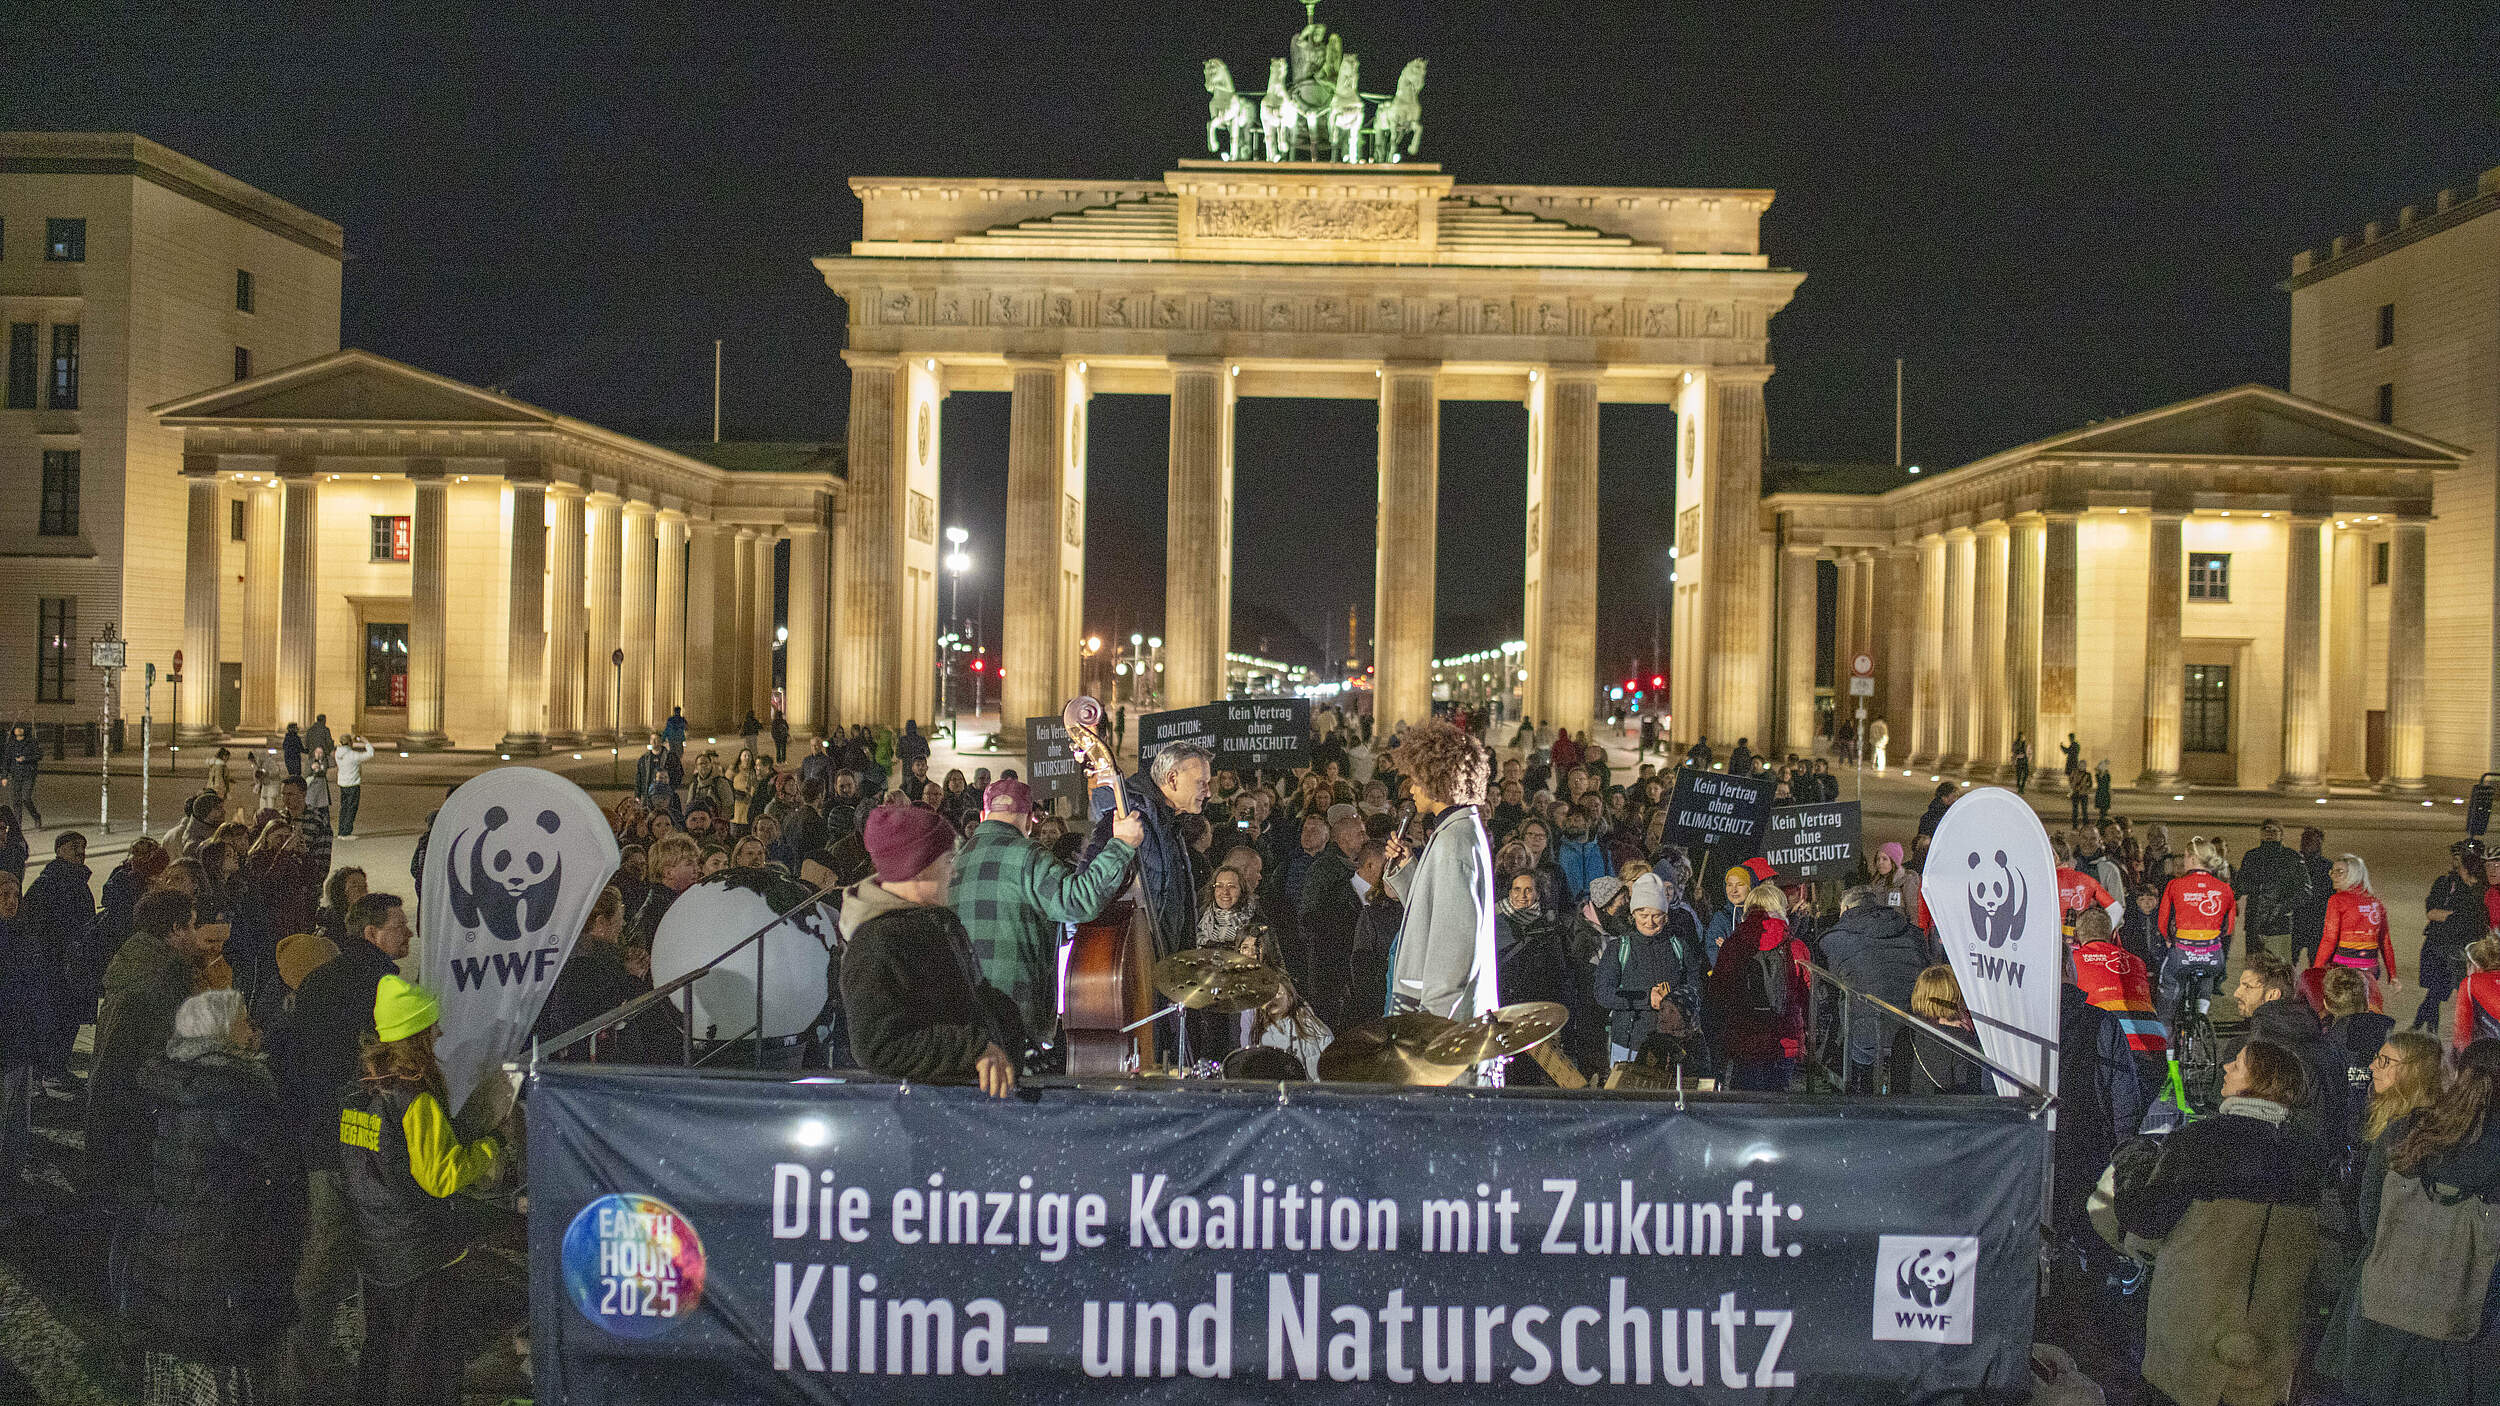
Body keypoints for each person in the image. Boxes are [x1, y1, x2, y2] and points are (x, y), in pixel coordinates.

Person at [2116, 1039, 2330, 1406]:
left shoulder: (2200, 1142)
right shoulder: (2309, 1154)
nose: (2228, 1066)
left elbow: (2146, 1218)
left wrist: (2131, 1166)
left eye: (2240, 1064)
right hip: (2269, 1339)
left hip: (2194, 1334)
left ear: (2261, 1081)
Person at [339, 975, 511, 1406]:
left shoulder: (357, 1092)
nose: (438, 1033)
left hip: (377, 1247)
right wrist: (494, 1146)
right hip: (421, 1252)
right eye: (431, 1026)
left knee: (382, 1355)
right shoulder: (414, 1099)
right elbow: (440, 1177)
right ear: (415, 1034)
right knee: (424, 1367)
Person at [126, 988, 296, 1405]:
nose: (252, 1027)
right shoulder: (236, 1091)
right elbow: (277, 1161)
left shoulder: (174, 1081)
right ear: (221, 1032)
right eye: (243, 1019)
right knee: (223, 1360)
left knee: (179, 1346)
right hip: (224, 1253)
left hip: (170, 1241)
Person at [273, 890, 409, 1403]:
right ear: (371, 933)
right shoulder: (385, 986)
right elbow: (387, 1069)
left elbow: (290, 1055)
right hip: (361, 1138)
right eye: (399, 926)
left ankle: (304, 1360)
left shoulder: (322, 980)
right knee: (369, 1247)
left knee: (327, 1252)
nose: (408, 934)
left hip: (321, 1136)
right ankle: (350, 1366)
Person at [2317, 1039, 2500, 1405]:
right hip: (2459, 1326)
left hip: (2380, 1304)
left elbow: (2370, 1210)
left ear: (2460, 1074)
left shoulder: (2408, 1129)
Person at [841, 805, 1026, 1093]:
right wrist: (972, 1049)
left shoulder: (941, 921)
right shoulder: (875, 944)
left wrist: (1012, 1034)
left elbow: (975, 996)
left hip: (968, 1101)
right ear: (916, 868)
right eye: (948, 860)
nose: (953, 872)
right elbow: (878, 1046)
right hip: (927, 1113)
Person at [952, 778, 1139, 1053]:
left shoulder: (955, 861)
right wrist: (1122, 845)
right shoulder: (1028, 856)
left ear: (983, 816)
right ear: (1030, 820)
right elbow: (1078, 901)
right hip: (1015, 1017)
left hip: (965, 1017)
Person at [86, 889, 214, 1207]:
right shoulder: (165, 975)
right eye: (193, 926)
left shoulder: (137, 959)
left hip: (114, 1097)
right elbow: (175, 1047)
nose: (198, 935)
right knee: (137, 1207)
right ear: (175, 929)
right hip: (139, 1102)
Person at [1382, 721, 1499, 1027]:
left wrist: (1431, 1029)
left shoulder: (1454, 841)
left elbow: (1454, 950)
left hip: (1440, 1024)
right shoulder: (1458, 831)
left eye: (1416, 779)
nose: (1411, 788)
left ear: (1438, 779)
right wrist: (1409, 872)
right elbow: (1435, 914)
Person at [1085, 740, 1212, 961]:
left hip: (1165, 965)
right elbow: (1087, 891)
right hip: (1136, 962)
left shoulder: (1172, 823)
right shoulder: (1127, 818)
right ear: (1173, 779)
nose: (1208, 792)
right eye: (1201, 782)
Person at [2233, 950, 2350, 1148]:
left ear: (2272, 995)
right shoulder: (2319, 1040)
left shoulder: (2252, 1051)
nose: (2237, 993)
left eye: (2247, 987)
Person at [1823, 883, 1931, 1091]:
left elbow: (1825, 993)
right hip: (1912, 1026)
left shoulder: (1834, 939)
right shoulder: (1911, 933)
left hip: (1866, 1033)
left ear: (1845, 909)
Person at [1705, 880, 1810, 1091]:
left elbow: (1717, 993)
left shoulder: (1733, 945)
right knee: (1779, 1107)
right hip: (1784, 1039)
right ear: (1781, 909)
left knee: (1744, 1110)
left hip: (1743, 1040)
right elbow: (1807, 996)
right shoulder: (1796, 947)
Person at [1594, 872, 1704, 1068]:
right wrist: (1647, 999)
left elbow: (1696, 987)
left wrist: (1675, 1000)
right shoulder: (1619, 948)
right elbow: (1603, 994)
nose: (1650, 922)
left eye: (1657, 915)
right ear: (1633, 914)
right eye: (1643, 915)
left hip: (1672, 1043)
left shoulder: (1679, 946)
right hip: (1629, 1042)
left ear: (1666, 915)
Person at [24, 829, 94, 1094]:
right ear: (59, 850)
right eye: (74, 845)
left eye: (83, 845)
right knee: (56, 1020)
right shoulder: (49, 883)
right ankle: (48, 1073)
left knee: (69, 1018)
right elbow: (36, 925)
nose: (80, 850)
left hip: (72, 964)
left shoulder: (77, 880)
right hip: (56, 966)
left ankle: (55, 1069)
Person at [0, 873, 48, 1197]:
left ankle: (12, 1179)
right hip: (6, 1046)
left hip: (20, 1043)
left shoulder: (20, 933)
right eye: (4, 894)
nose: (12, 900)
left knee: (17, 1122)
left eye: (16, 894)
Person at [2156, 836, 2235, 1028]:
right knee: (2207, 972)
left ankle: (2168, 1051)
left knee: (2167, 993)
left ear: (2191, 858)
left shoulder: (2175, 885)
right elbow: (2229, 928)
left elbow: (2162, 923)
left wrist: (2168, 939)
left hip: (2182, 954)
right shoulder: (2225, 888)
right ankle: (2201, 1014)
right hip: (2213, 956)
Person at [2418, 841, 2490, 1033]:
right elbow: (2432, 912)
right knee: (2436, 990)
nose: (2457, 862)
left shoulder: (2484, 887)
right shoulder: (2446, 883)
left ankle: (2422, 1024)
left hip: (2470, 949)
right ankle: (2427, 1028)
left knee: (2464, 993)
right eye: (2457, 857)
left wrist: (2451, 916)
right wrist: (2458, 916)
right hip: (2440, 944)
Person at [2312, 852, 2398, 1004]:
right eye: (2333, 871)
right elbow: (2385, 941)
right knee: (2366, 1007)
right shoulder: (2375, 903)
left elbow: (2329, 939)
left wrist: (2316, 970)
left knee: (2342, 1009)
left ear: (2354, 874)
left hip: (2344, 969)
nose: (2333, 875)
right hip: (2370, 969)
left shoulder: (2337, 900)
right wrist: (2393, 974)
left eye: (2340, 872)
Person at [1893, 964, 1988, 1094]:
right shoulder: (1962, 1041)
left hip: (1907, 1112)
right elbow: (1970, 1094)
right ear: (1955, 996)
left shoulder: (1905, 1034)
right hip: (1947, 1112)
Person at [2233, 818, 2314, 965]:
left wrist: (2282, 908)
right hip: (2254, 923)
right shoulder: (2252, 856)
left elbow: (2305, 890)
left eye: (2274, 830)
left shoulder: (2291, 857)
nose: (2269, 833)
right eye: (2266, 830)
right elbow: (2240, 885)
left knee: (2279, 967)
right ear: (2260, 833)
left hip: (2280, 924)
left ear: (2281, 834)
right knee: (2254, 968)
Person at [2453, 934, 2500, 1050]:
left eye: (2469, 965)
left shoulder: (2471, 983)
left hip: (2490, 1056)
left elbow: (2462, 1032)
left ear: (2477, 966)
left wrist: (2458, 1058)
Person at [3, 722, 45, 830]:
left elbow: (39, 755)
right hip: (16, 775)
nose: (18, 730)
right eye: (16, 728)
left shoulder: (31, 742)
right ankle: (17, 825)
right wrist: (4, 776)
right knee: (16, 800)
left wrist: (25, 758)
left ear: (24, 730)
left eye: (20, 728)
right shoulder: (11, 744)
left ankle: (36, 816)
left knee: (26, 798)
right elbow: (6, 761)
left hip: (28, 774)